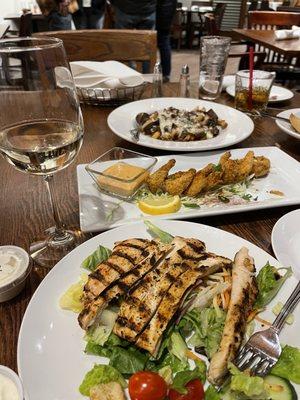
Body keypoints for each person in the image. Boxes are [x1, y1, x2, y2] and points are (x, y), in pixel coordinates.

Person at [111, 0, 156, 72]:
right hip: (147, 9)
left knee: (124, 45)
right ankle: (147, 76)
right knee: (147, 46)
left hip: (124, 8)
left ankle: (128, 76)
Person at [156, 0, 177, 82]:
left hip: (157, 12)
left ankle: (147, 73)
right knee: (164, 44)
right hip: (167, 14)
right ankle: (166, 74)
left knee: (149, 43)